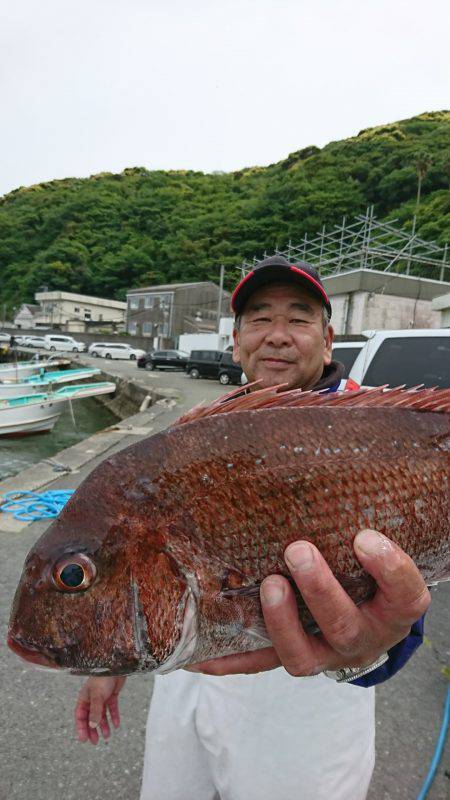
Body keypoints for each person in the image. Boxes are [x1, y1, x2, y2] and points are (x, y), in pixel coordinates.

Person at [75, 256, 429, 800]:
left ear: (329, 340)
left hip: (310, 705)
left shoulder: (372, 432)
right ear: (236, 342)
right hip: (187, 678)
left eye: (300, 318)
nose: (279, 336)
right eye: (260, 319)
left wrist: (376, 648)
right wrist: (109, 654)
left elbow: (412, 592)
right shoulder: (197, 435)